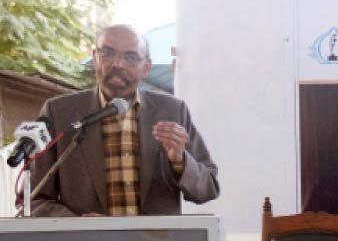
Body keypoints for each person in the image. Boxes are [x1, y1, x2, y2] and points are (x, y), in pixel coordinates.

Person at [30, 24, 219, 216]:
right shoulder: (59, 112)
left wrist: (180, 160)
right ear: (95, 57)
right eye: (108, 53)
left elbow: (208, 188)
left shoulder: (171, 111)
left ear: (146, 67)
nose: (117, 64)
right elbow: (35, 200)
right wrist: (77, 225)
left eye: (130, 57)